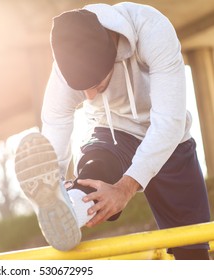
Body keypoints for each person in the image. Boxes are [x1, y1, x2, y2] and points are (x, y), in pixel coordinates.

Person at [14, 2, 211, 260]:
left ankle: (73, 206)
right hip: (114, 131)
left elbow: (168, 122)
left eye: (95, 84)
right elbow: (56, 123)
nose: (89, 95)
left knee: (192, 248)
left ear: (113, 52)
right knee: (96, 172)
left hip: (170, 139)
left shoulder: (153, 30)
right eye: (82, 89)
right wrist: (55, 179)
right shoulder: (66, 65)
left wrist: (125, 188)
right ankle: (71, 208)